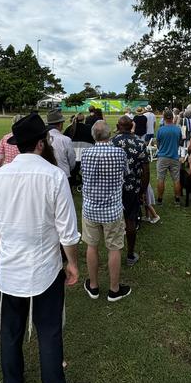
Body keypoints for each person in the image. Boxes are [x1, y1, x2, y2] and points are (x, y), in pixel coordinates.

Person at [0, 113, 89, 383]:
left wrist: (9, 255)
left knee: (11, 332)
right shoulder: (54, 176)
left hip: (14, 267)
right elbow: (68, 232)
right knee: (49, 331)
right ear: (41, 143)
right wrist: (72, 263)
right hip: (44, 266)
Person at [81, 120, 131, 301]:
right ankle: (114, 289)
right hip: (112, 210)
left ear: (94, 135)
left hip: (91, 208)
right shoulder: (120, 153)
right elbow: (125, 174)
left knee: (92, 246)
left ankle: (93, 286)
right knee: (114, 247)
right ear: (109, 134)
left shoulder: (86, 153)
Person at [112, 116, 149, 265]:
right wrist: (142, 191)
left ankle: (113, 253)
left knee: (113, 222)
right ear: (132, 126)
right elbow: (146, 171)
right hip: (133, 188)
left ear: (117, 126)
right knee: (130, 221)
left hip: (114, 188)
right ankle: (130, 254)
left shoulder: (111, 142)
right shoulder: (140, 143)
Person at [155, 108, 182, 205]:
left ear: (164, 117)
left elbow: (158, 144)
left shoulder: (161, 130)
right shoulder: (177, 129)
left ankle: (160, 200)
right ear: (172, 117)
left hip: (162, 157)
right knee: (176, 179)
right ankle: (177, 200)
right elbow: (179, 142)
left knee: (161, 179)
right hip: (174, 156)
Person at [47, 110, 76, 185]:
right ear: (60, 124)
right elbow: (72, 161)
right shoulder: (65, 140)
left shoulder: (41, 139)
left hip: (46, 176)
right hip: (63, 175)